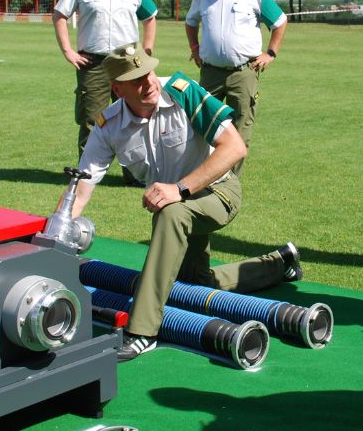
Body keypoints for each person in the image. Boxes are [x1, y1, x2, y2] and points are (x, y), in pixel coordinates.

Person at [71, 43, 302, 361]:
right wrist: (58, 231)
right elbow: (83, 182)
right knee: (197, 285)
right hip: (179, 204)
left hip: (220, 194)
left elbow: (235, 147)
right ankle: (281, 264)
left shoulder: (182, 89)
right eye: (136, 79)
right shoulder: (108, 124)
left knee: (170, 213)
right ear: (117, 89)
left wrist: (179, 189)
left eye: (148, 72)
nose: (149, 82)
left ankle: (142, 331)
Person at [53, 0, 158, 179]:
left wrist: (148, 48)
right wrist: (68, 51)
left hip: (128, 63)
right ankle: (87, 175)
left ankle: (136, 174)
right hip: (94, 62)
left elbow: (150, 16)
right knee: (92, 119)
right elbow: (60, 14)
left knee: (134, 116)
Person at [185, 0, 287, 174]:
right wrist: (194, 47)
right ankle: (200, 173)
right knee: (201, 123)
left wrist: (270, 53)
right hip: (210, 72)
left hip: (244, 72)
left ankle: (229, 180)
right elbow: (191, 21)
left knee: (241, 126)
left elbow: (280, 21)